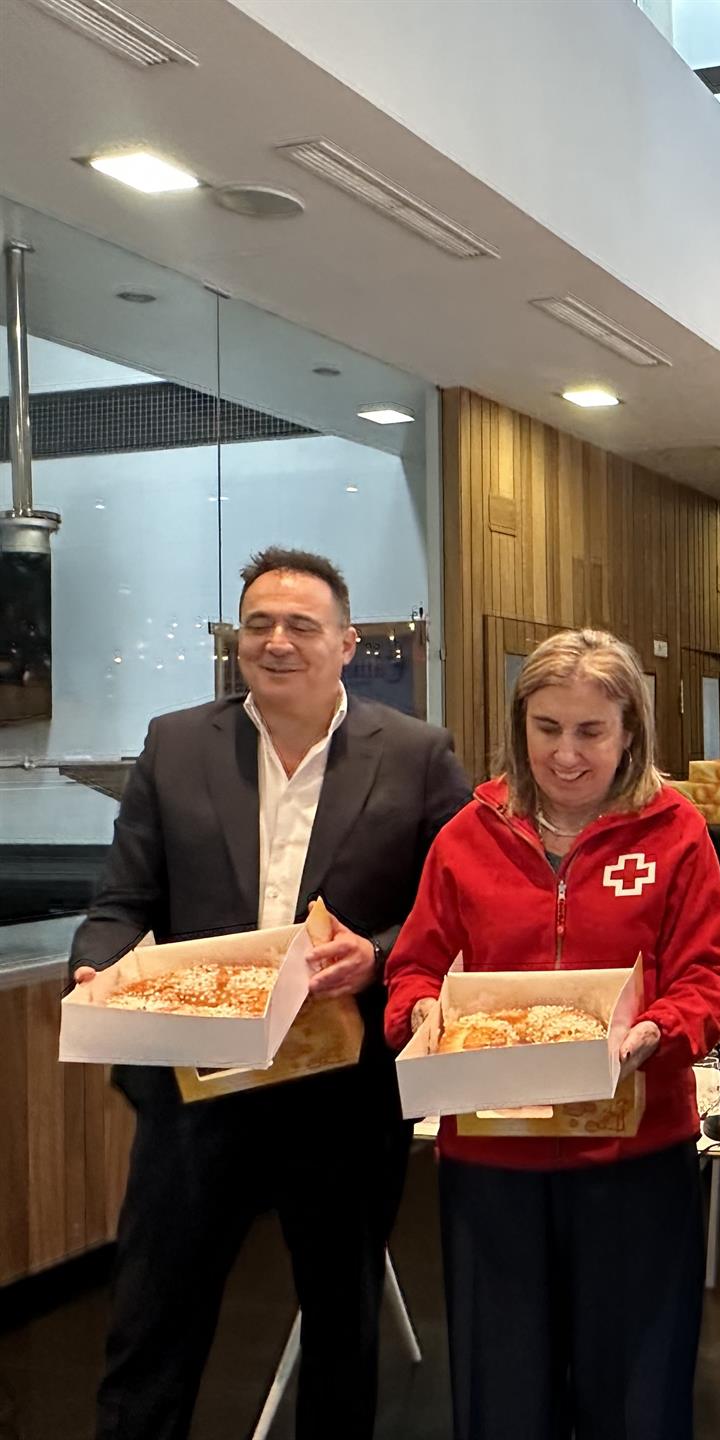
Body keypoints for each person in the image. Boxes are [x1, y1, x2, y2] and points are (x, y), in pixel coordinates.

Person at [71, 547, 472, 1440]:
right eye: (258, 625)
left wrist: (376, 953)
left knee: (340, 1328)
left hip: (340, 1095)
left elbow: (451, 914)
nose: (277, 642)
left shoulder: (414, 753)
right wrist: (96, 968)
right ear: (237, 641)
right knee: (152, 1327)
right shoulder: (176, 743)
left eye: (301, 626)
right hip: (195, 1091)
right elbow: (122, 903)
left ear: (346, 643)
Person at [384, 628, 720, 1440]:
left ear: (630, 733)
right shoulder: (466, 836)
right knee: (502, 1396)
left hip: (635, 1157)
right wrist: (419, 1013)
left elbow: (711, 977)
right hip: (490, 1158)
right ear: (521, 726)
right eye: (548, 729)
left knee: (635, 1398)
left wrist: (656, 1031)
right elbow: (413, 967)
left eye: (591, 732)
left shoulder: (674, 832)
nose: (568, 755)